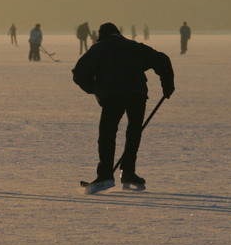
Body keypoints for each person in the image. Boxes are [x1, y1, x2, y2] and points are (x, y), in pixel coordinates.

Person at [72, 23, 174, 193]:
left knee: (107, 134)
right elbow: (162, 59)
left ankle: (105, 174)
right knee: (134, 131)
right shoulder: (133, 46)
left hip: (113, 97)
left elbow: (79, 73)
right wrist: (167, 85)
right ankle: (128, 172)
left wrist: (94, 88)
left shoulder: (99, 48)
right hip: (137, 95)